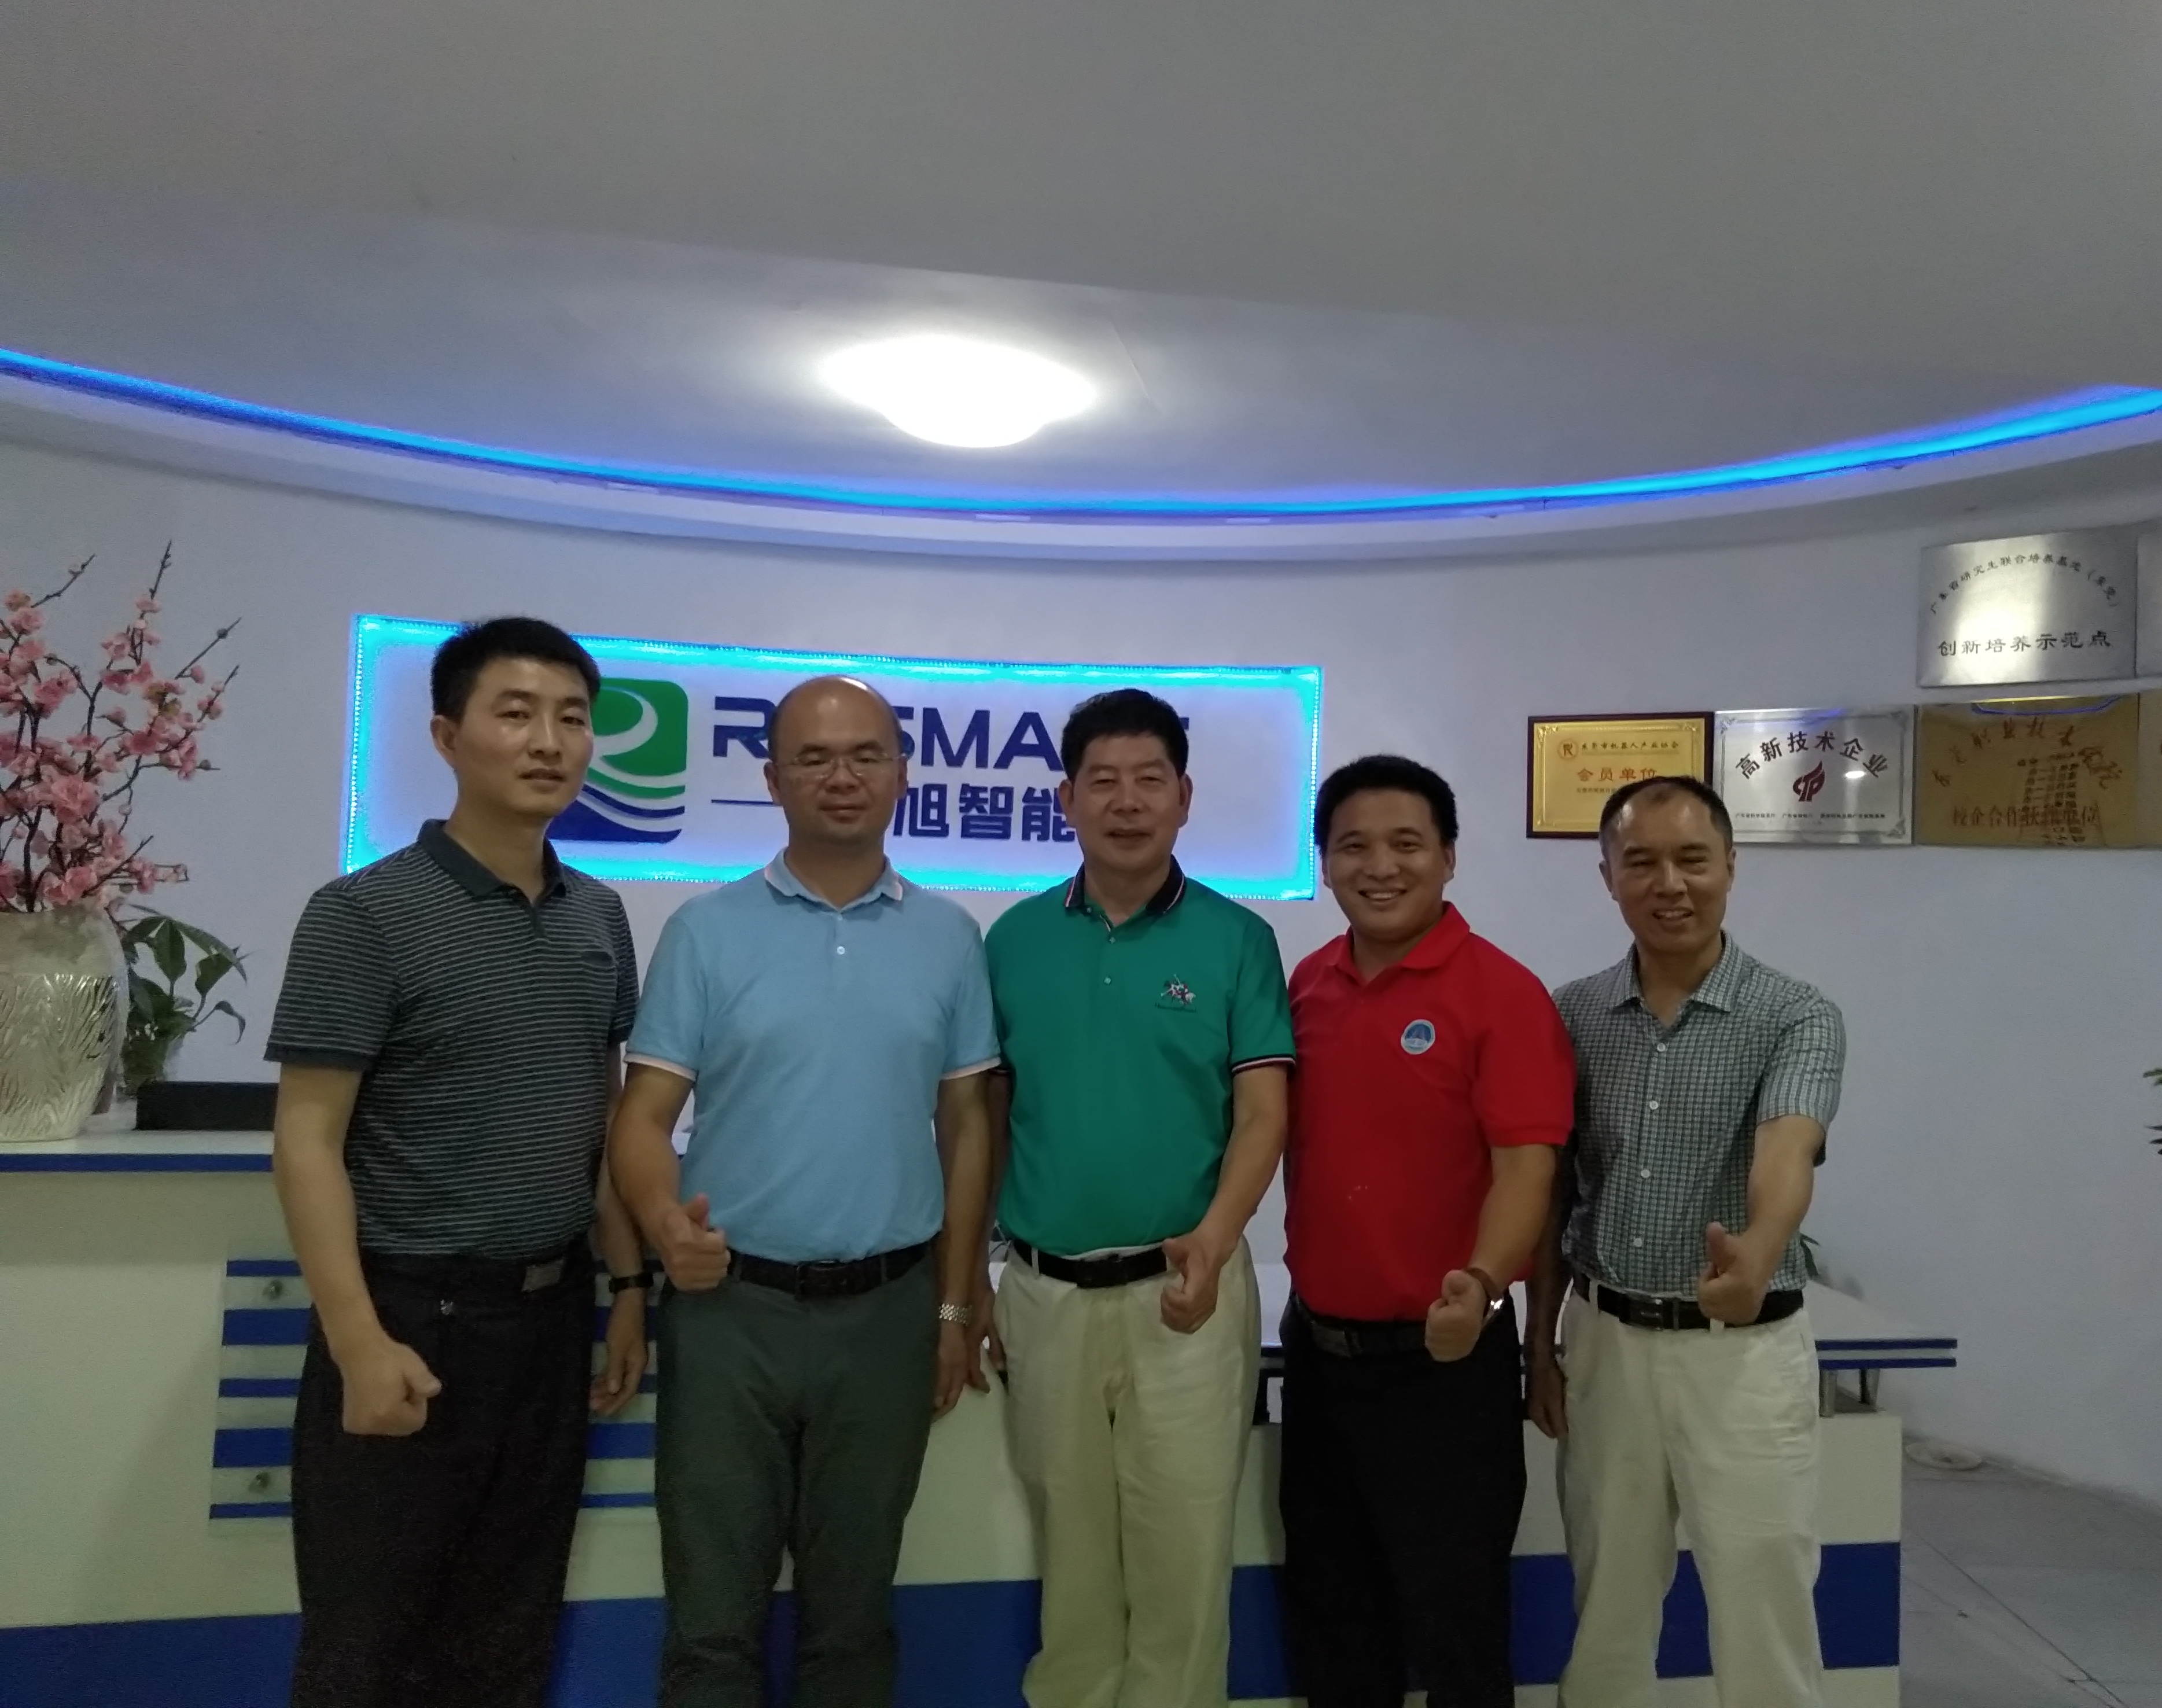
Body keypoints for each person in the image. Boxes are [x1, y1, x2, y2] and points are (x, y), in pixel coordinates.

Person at [266, 617, 649, 1708]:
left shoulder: (599, 918)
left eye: (572, 718)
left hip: (549, 1325)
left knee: (507, 1639)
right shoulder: (363, 914)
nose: (549, 742)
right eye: (515, 714)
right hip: (408, 1320)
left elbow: (601, 1117)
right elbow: (306, 1139)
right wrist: (357, 1339)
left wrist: (627, 1289)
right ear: (447, 736)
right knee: (367, 1645)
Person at [608, 674, 997, 1708]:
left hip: (889, 1313)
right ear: (773, 779)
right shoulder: (707, 930)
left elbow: (967, 1127)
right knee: (710, 1620)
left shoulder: (950, 937)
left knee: (853, 1617)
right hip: (729, 1314)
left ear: (902, 774)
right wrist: (664, 1224)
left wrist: (955, 1306)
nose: (842, 776)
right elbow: (640, 1120)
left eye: (866, 755)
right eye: (814, 758)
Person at [979, 687, 1294, 1708]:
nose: (1127, 802)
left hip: (1185, 1292)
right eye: (1103, 781)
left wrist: (1216, 1237)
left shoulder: (1238, 939)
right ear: (1065, 799)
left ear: (1184, 797)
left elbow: (1263, 1114)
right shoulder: (1013, 941)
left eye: (1149, 780)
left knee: (1185, 1557)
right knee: (1070, 1551)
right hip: (1045, 1294)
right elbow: (986, 1120)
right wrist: (968, 1279)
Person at [1527, 775, 1846, 1708]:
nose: (1670, 884)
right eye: (1642, 863)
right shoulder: (1571, 1014)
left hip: (1743, 1354)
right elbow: (1553, 1195)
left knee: (1762, 1600)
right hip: (1605, 1345)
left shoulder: (1795, 1015)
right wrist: (1539, 1346)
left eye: (1693, 860)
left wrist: (1759, 1247)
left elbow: (1789, 1143)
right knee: (1607, 1600)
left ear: (1731, 867)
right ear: (1608, 878)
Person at [1280, 754, 1573, 1708]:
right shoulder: (1307, 987)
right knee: (1335, 1622)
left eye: (1406, 844)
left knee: (1457, 1630)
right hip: (1321, 1360)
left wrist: (1480, 1283)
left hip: (1446, 1366)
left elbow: (1528, 1169)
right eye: (1353, 846)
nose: (1380, 867)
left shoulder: (1503, 994)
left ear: (1448, 857)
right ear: (1325, 861)